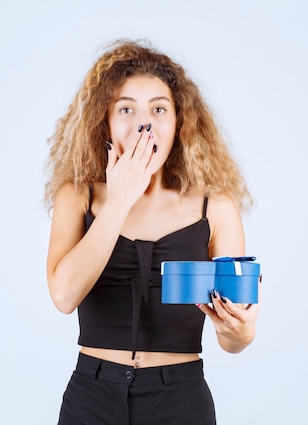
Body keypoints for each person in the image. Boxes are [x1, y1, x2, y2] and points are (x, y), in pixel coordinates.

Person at [44, 39, 260, 425]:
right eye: (126, 109)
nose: (144, 124)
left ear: (178, 123)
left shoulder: (216, 208)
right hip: (91, 397)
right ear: (105, 120)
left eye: (159, 109)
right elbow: (64, 295)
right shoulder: (78, 196)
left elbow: (231, 336)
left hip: (180, 399)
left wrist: (240, 333)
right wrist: (120, 198)